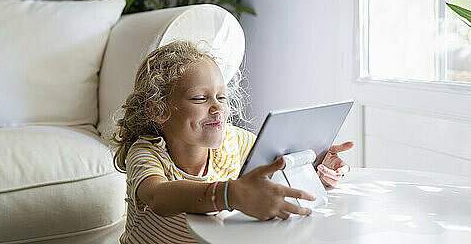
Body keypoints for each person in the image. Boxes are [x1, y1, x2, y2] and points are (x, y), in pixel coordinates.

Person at [112, 40, 354, 244]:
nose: (217, 107)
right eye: (199, 98)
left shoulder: (233, 140)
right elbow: (158, 197)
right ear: (158, 110)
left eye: (221, 97)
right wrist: (230, 194)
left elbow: (277, 164)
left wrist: (315, 166)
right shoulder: (147, 151)